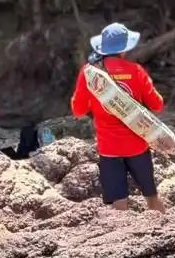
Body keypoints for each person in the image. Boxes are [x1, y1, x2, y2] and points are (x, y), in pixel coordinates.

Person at [71, 22, 168, 213]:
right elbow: (157, 105)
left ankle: (124, 240)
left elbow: (78, 111)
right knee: (152, 198)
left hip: (109, 149)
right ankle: (166, 232)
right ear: (124, 49)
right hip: (138, 146)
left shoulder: (89, 73)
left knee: (119, 206)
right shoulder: (137, 71)